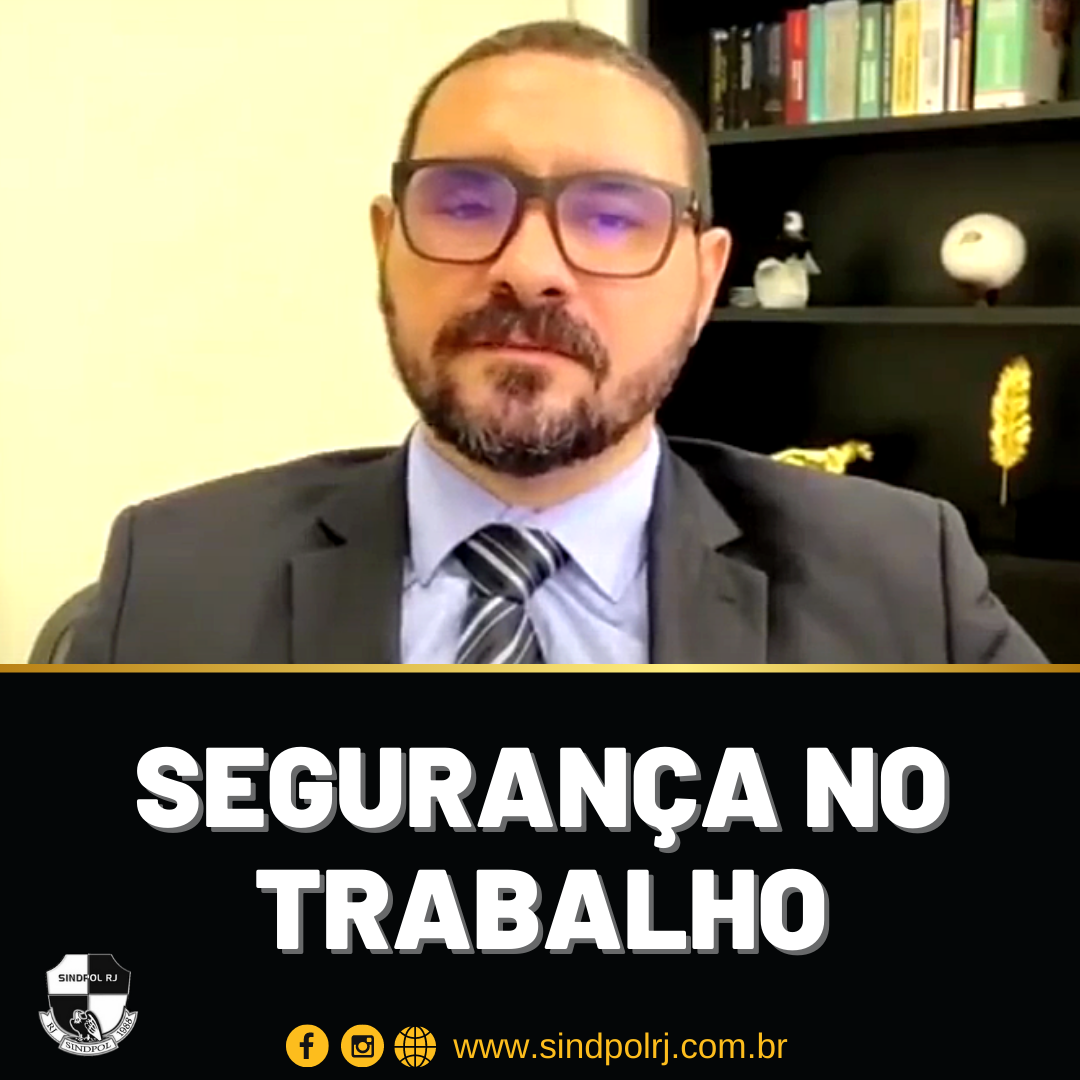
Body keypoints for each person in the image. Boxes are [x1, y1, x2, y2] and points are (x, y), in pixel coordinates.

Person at [65, 20, 1047, 664]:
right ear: (385, 247)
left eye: (613, 217)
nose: (529, 267)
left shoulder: (904, 587)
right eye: (463, 203)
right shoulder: (173, 582)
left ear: (704, 280)